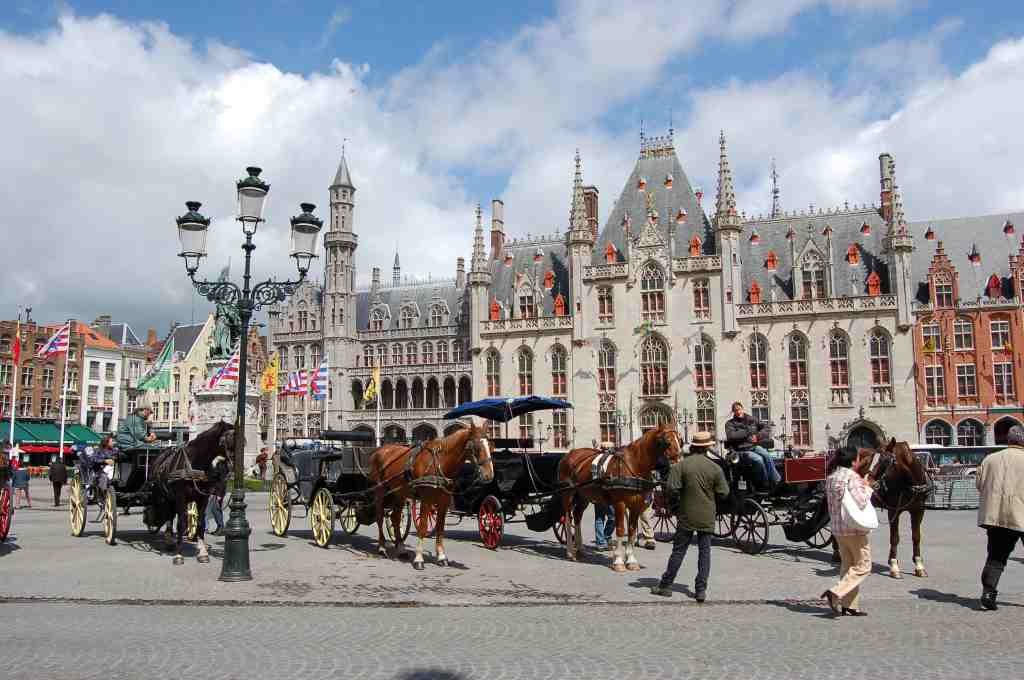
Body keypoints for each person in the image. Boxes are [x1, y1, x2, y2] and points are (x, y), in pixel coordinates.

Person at [650, 431, 728, 602]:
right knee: (704, 552)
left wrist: (676, 507)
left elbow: (672, 489)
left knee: (678, 551)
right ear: (708, 447)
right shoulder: (715, 468)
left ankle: (665, 585)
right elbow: (724, 492)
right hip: (707, 514)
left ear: (693, 447)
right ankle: (700, 590)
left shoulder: (681, 466)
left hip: (685, 514)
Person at [821, 447, 874, 617]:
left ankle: (849, 605)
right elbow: (861, 501)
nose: (859, 461)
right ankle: (836, 592)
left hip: (838, 529)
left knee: (848, 566)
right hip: (854, 529)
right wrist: (868, 487)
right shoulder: (852, 477)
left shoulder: (831, 478)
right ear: (853, 461)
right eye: (858, 458)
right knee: (864, 566)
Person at [976, 424, 1024, 611]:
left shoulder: (990, 459)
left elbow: (979, 485)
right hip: (1022, 514)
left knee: (996, 557)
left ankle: (988, 593)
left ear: (1008, 439)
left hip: (996, 515)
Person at [724, 401, 780, 491]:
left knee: (767, 456)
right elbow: (731, 436)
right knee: (758, 459)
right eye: (735, 410)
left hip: (753, 446)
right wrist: (748, 431)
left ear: (742, 409)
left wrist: (758, 436)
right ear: (733, 412)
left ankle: (776, 480)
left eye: (739, 409)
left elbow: (767, 428)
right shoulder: (730, 423)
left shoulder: (752, 419)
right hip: (740, 450)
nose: (738, 412)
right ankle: (764, 484)